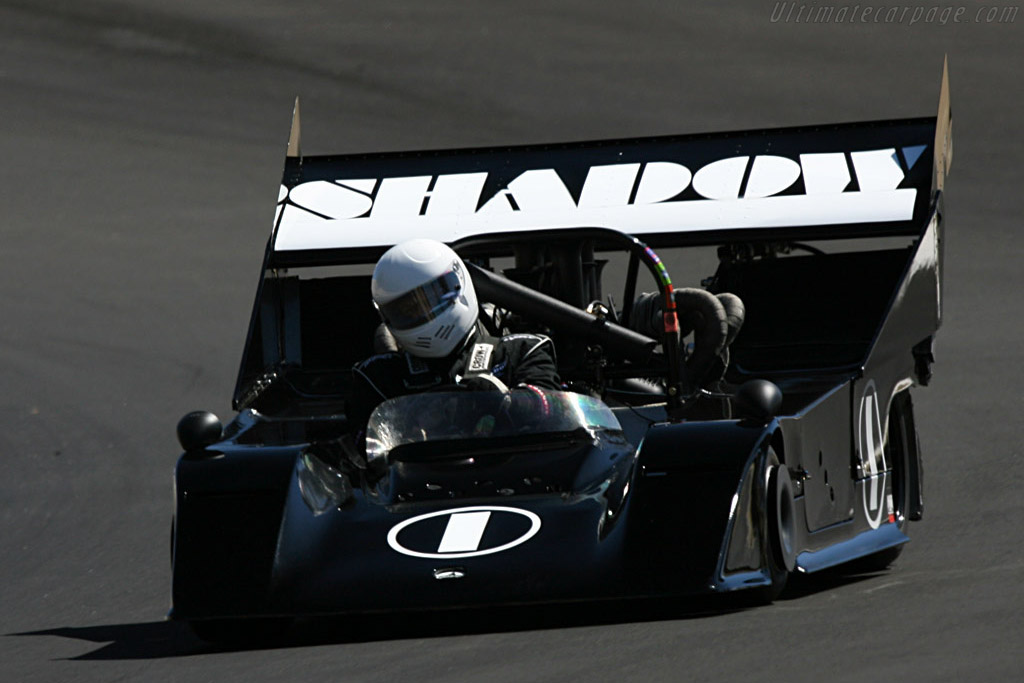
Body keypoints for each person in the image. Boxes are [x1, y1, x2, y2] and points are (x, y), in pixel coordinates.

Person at [347, 239, 560, 433]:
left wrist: (509, 401)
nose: (423, 313)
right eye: (408, 310)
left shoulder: (521, 351)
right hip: (423, 473)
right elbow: (366, 447)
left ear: (457, 282)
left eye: (430, 299)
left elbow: (553, 410)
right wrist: (410, 420)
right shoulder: (377, 377)